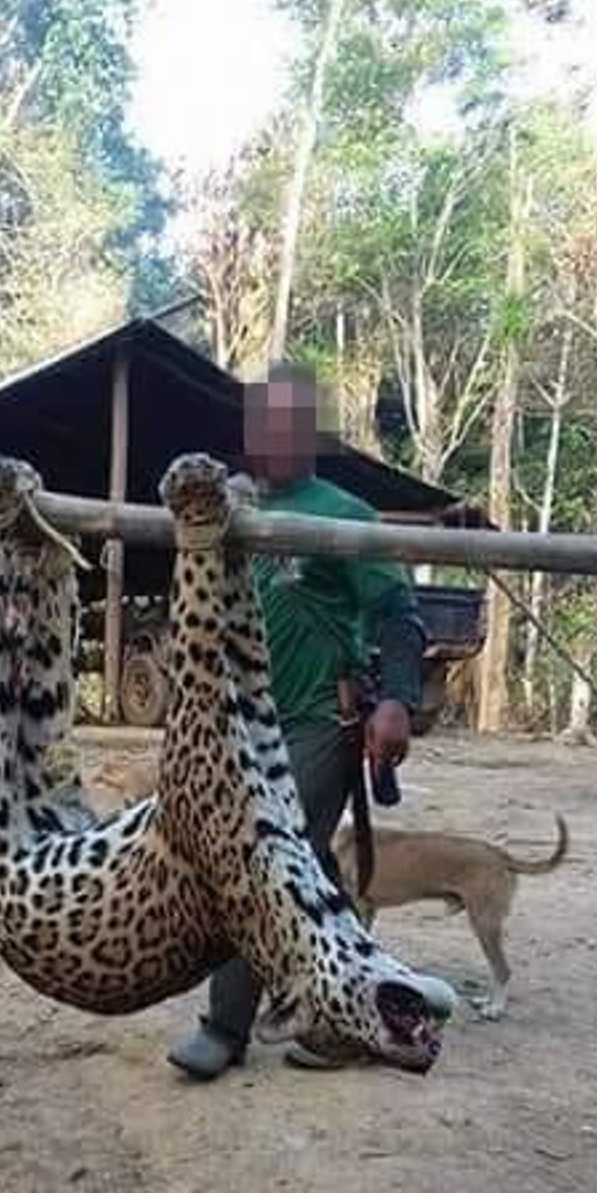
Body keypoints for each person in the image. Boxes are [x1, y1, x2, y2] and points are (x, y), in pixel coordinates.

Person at [168, 361, 424, 1080]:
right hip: (237, 721)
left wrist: (397, 697)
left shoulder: (345, 515)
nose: (273, 434)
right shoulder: (230, 510)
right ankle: (362, 1003)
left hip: (318, 720)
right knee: (302, 870)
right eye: (262, 421)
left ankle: (224, 1026)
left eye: (289, 420)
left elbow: (398, 614)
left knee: (264, 862)